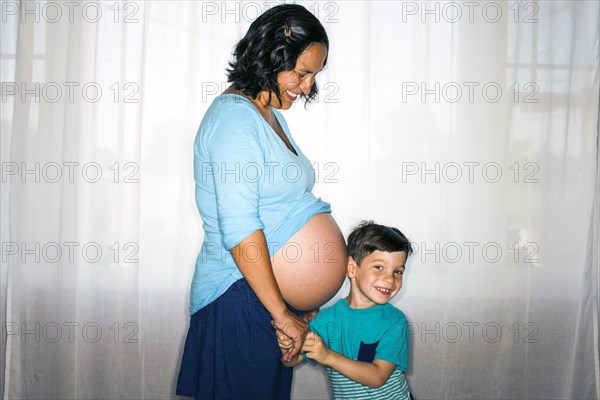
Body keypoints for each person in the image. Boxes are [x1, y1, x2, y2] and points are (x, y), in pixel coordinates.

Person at [177, 4, 348, 400]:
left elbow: (277, 217)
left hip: (263, 299)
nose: (308, 87)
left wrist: (295, 307)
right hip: (240, 296)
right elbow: (240, 229)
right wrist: (282, 313)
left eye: (315, 76)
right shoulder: (235, 120)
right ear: (270, 55)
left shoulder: (268, 115)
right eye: (302, 73)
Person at [278, 221, 414, 400]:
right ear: (352, 268)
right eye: (379, 267)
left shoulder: (395, 321)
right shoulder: (326, 319)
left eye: (398, 271)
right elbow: (292, 361)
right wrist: (287, 345)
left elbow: (377, 377)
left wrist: (327, 356)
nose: (389, 279)